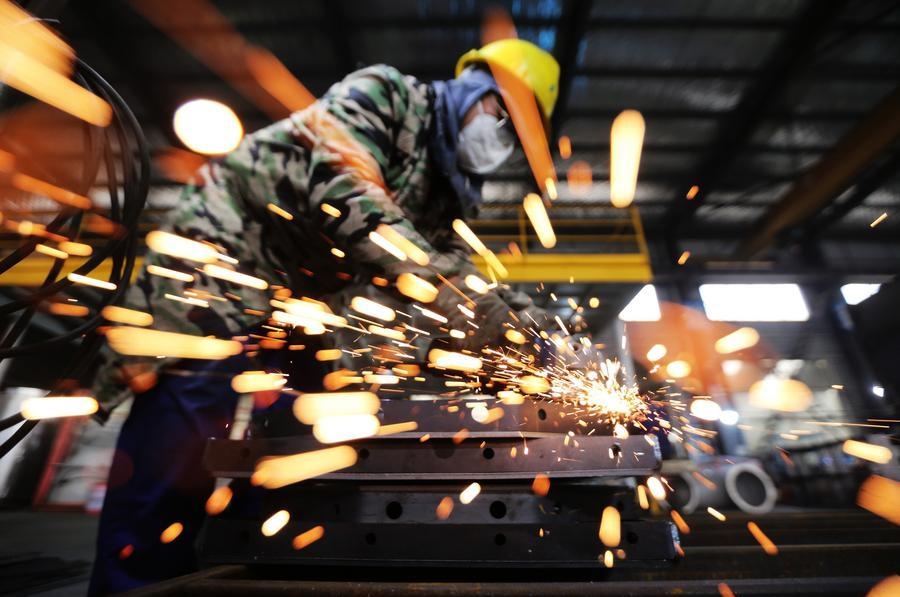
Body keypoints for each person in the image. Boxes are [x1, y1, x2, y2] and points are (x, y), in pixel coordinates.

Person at [88, 39, 560, 594]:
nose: (501, 138)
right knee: (182, 447)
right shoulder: (385, 95)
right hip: (220, 263)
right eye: (502, 116)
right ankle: (133, 583)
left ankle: (247, 572)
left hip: (304, 308)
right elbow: (348, 195)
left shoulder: (447, 189)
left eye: (516, 136)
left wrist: (537, 333)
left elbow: (459, 271)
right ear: (475, 87)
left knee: (304, 450)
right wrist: (472, 310)